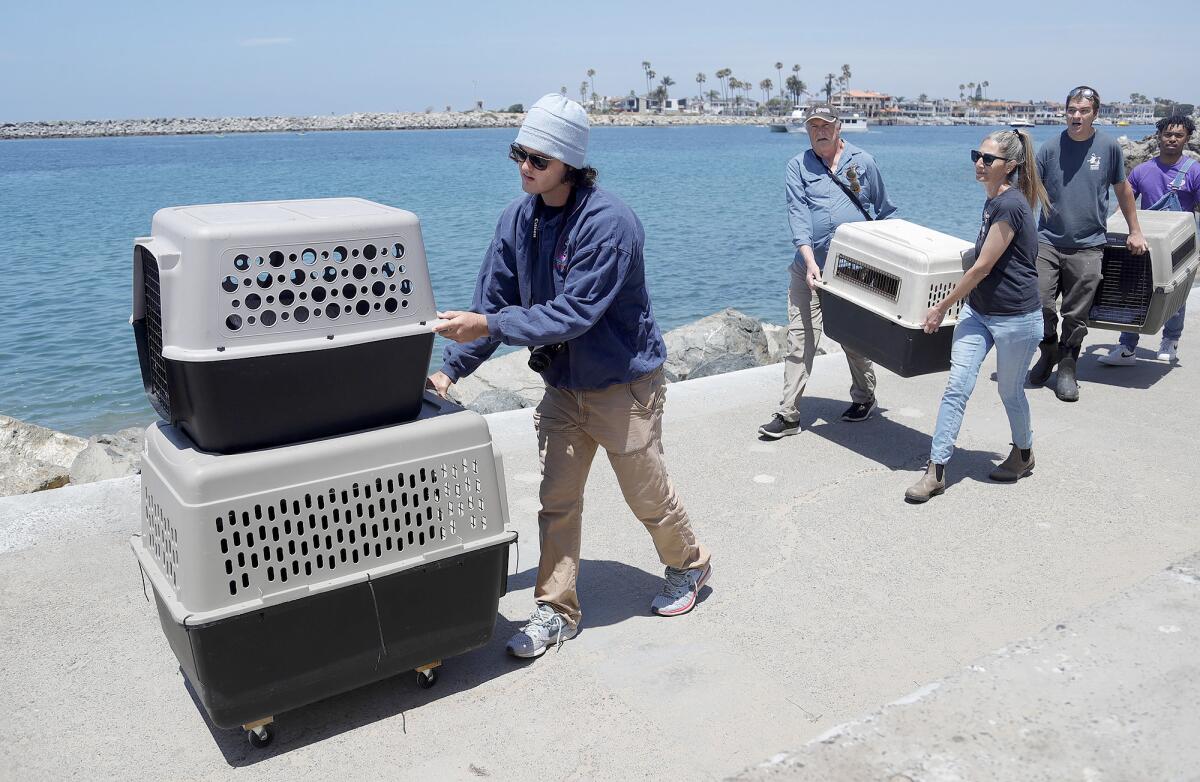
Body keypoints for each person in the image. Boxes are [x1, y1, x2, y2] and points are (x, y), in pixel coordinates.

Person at [428, 94, 711, 659]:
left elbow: (573, 313)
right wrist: (449, 372)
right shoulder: (517, 218)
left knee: (647, 497)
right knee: (557, 500)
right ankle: (556, 610)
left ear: (569, 163)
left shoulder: (610, 224)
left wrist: (488, 322)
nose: (524, 168)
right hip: (563, 387)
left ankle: (689, 564)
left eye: (538, 158)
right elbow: (496, 301)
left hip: (623, 386)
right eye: (518, 154)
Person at [905, 130, 1050, 502]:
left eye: (989, 159)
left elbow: (983, 266)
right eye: (977, 155)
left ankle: (1023, 452)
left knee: (1010, 391)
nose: (979, 164)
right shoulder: (994, 200)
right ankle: (936, 469)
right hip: (980, 312)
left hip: (1016, 317)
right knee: (957, 388)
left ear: (1011, 166)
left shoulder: (1009, 205)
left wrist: (940, 306)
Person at [758, 104, 897, 439]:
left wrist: (886, 260)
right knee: (800, 339)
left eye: (825, 125)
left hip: (853, 269)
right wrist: (808, 261)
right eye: (813, 126)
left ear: (839, 127)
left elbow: (885, 212)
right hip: (809, 265)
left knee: (852, 338)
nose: (819, 131)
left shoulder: (863, 162)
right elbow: (798, 214)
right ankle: (788, 414)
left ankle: (864, 396)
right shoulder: (797, 166)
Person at [1028, 85, 1148, 402]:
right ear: (1065, 112)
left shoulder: (1108, 147)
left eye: (1083, 111)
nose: (1076, 116)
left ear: (1095, 114)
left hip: (1089, 245)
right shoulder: (1050, 148)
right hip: (1047, 242)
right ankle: (1048, 351)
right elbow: (1029, 193)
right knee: (1038, 304)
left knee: (1076, 314)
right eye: (1071, 110)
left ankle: (1068, 366)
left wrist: (1135, 230)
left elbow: (1122, 190)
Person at [1098, 114, 1199, 366]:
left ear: (1187, 138)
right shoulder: (1143, 170)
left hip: (1179, 245)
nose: (1172, 139)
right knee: (1135, 292)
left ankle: (1170, 341)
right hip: (1144, 242)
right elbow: (1123, 205)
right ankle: (1127, 347)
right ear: (1159, 137)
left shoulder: (1195, 171)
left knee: (1175, 294)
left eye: (1178, 135)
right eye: (1168, 134)